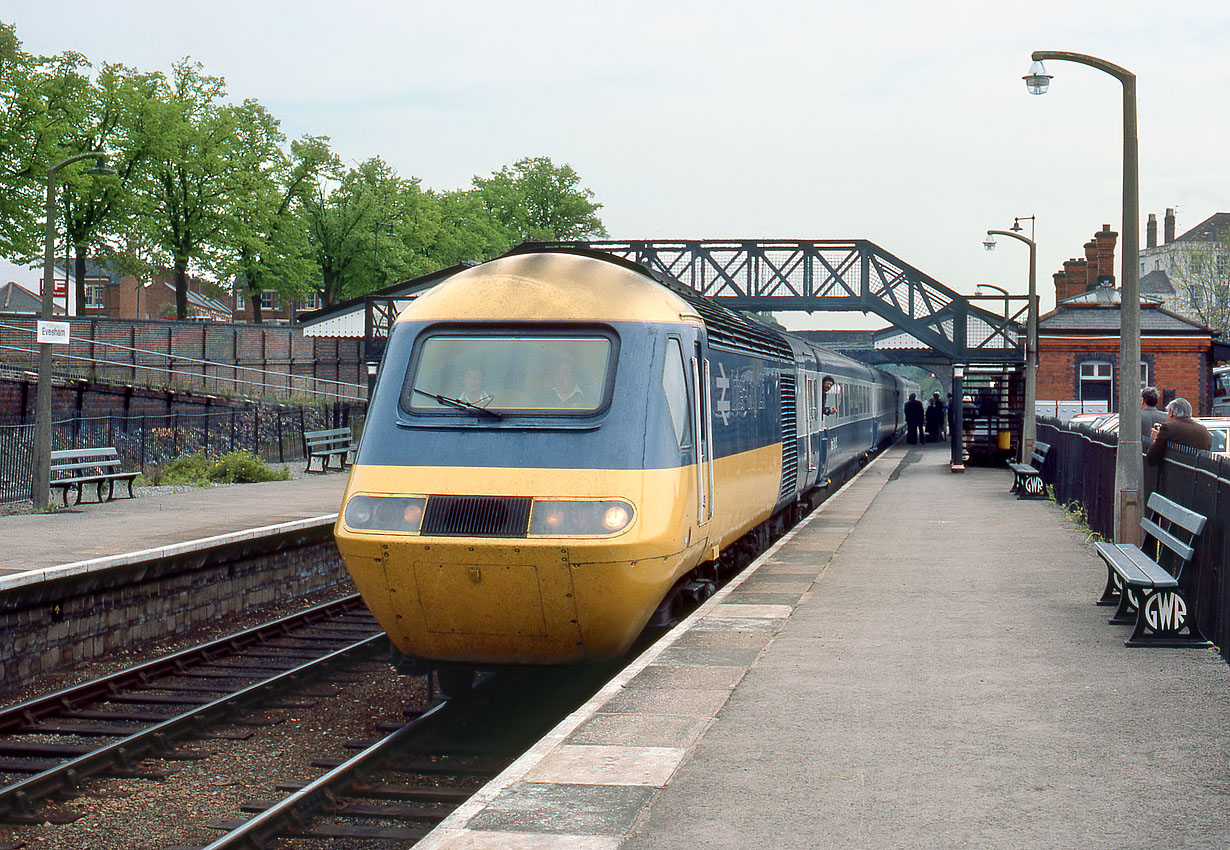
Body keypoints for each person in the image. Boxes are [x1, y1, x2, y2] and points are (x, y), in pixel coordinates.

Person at [1146, 397, 1211, 466]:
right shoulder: (1204, 431)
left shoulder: (1168, 427)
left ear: (1171, 412)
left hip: (1175, 473)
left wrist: (1156, 439)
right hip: (1199, 473)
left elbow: (1152, 458)